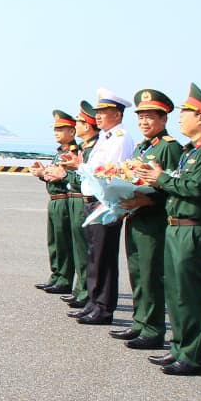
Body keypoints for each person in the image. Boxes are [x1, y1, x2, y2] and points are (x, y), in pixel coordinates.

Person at [135, 84, 201, 375]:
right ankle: (178, 348)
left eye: (186, 112)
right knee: (176, 292)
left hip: (193, 228)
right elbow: (179, 183)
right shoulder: (191, 152)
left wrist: (160, 178)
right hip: (175, 226)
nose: (180, 118)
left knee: (191, 294)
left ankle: (193, 355)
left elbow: (196, 188)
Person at [111, 90, 184, 351]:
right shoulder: (144, 147)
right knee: (138, 273)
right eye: (141, 117)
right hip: (136, 217)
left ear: (164, 119)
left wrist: (149, 201)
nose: (143, 122)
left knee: (152, 275)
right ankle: (140, 322)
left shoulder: (170, 148)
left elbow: (175, 188)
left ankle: (153, 330)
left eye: (150, 117)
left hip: (154, 221)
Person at [71, 88, 134, 325]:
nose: (98, 116)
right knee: (94, 255)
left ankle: (104, 307)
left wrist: (81, 166)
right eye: (97, 112)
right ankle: (93, 301)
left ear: (117, 115)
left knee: (104, 257)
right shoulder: (105, 138)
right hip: (92, 201)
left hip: (105, 202)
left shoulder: (120, 138)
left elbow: (110, 172)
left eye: (104, 112)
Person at [57, 101, 99, 310]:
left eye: (80, 121)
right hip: (77, 198)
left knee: (85, 250)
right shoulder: (85, 147)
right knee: (77, 246)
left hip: (83, 199)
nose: (77, 125)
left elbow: (86, 175)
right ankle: (80, 290)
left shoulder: (92, 148)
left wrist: (64, 174)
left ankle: (85, 292)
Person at [33, 110, 80, 295]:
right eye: (55, 129)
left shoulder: (73, 152)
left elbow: (68, 177)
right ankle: (56, 275)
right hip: (54, 199)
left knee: (63, 242)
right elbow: (54, 174)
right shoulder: (60, 151)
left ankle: (64, 279)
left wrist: (48, 174)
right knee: (54, 241)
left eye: (61, 129)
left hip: (64, 199)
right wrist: (43, 173)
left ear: (72, 132)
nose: (56, 132)